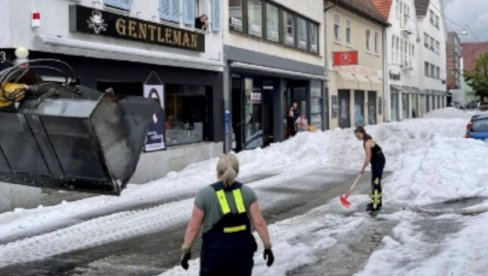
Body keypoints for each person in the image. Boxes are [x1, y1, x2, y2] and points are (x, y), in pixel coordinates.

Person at [181, 154, 274, 275]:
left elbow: (193, 227)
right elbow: (259, 223)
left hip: (215, 254)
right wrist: (267, 247)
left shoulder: (204, 194)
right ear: (237, 171)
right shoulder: (247, 192)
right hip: (242, 252)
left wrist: (186, 249)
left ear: (218, 171)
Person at [354, 126, 386, 212]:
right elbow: (371, 156)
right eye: (356, 136)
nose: (357, 138)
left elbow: (368, 157)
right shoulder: (367, 139)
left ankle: (375, 205)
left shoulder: (367, 142)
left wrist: (363, 169)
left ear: (362, 133)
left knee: (376, 182)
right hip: (377, 160)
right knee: (375, 182)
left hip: (378, 161)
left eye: (358, 136)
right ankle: (376, 203)